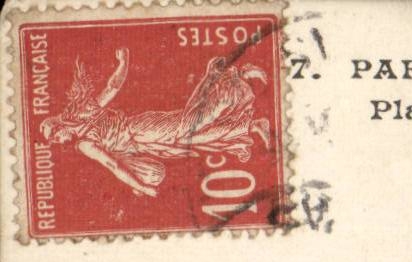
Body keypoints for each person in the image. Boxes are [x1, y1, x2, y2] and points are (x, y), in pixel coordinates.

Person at [40, 49, 271, 198]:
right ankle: (249, 124)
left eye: (55, 137)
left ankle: (231, 78)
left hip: (139, 130)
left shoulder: (85, 140)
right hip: (143, 144)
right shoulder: (85, 122)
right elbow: (112, 90)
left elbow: (113, 165)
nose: (59, 142)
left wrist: (143, 188)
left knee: (188, 128)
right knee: (194, 137)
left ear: (60, 126)